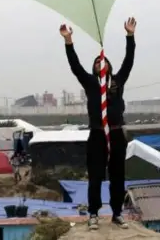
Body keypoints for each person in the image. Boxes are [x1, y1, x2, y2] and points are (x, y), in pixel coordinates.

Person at [59, 17, 136, 230]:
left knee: (118, 176)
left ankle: (117, 213)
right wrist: (68, 41)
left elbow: (129, 61)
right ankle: (93, 213)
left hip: (117, 134)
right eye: (96, 62)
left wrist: (130, 36)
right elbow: (75, 66)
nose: (100, 63)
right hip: (97, 135)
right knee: (95, 176)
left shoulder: (118, 82)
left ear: (109, 66)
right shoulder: (91, 84)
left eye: (103, 61)